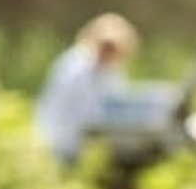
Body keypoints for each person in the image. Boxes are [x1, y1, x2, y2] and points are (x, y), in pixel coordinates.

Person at [34, 13, 139, 167]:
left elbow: (117, 104)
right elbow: (79, 112)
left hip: (85, 144)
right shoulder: (75, 67)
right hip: (61, 142)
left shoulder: (111, 71)